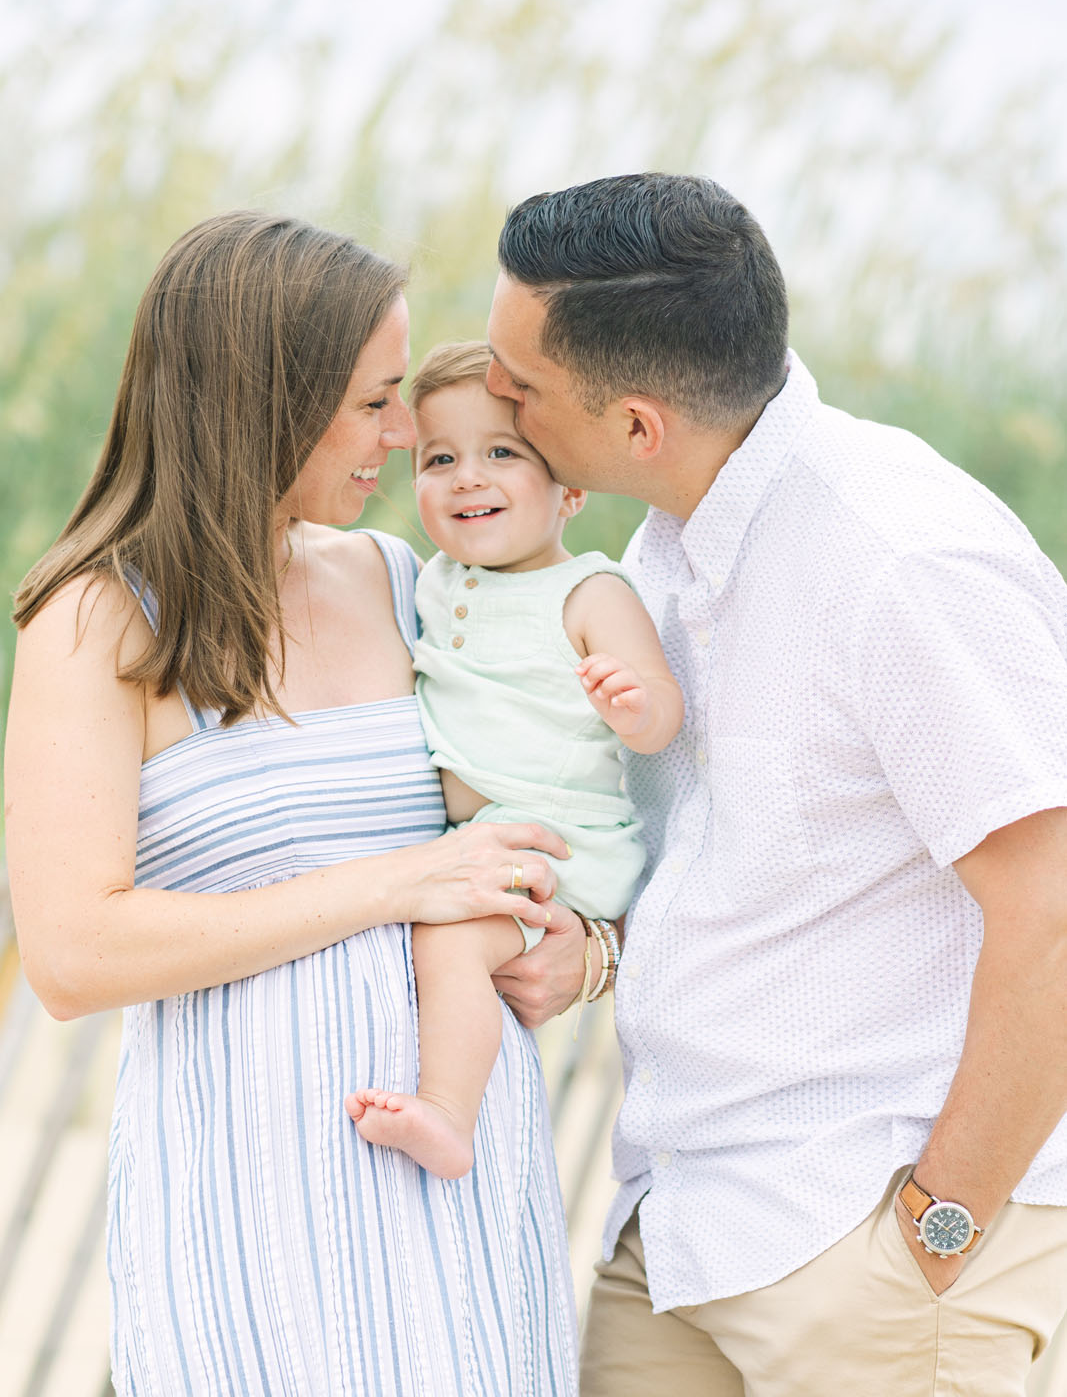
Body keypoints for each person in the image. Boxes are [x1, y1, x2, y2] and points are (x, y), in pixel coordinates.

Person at [482, 173, 1067, 1397]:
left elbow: (1051, 909)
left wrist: (934, 1232)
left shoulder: (898, 558)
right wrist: (591, 954)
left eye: (517, 387)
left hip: (874, 1239)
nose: (491, 402)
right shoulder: (660, 549)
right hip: (682, 1222)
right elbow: (725, 873)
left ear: (637, 423)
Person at [3, 212, 579, 1396]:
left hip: (457, 1163)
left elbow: (546, 796)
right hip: (255, 1175)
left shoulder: (402, 582)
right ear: (266, 396)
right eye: (372, 401)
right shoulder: (97, 620)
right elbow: (71, 953)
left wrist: (581, 941)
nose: (409, 432)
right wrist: (395, 881)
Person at [346, 341, 683, 1179]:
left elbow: (662, 715)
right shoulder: (432, 582)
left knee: (451, 944)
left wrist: (630, 704)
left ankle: (447, 1115)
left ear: (569, 486)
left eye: (502, 453)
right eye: (439, 458)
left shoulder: (587, 592)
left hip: (556, 840)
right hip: (492, 835)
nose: (467, 476)